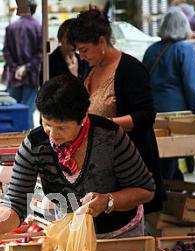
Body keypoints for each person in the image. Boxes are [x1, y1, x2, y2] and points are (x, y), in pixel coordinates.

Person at [0, 75, 155, 241]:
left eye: (61, 128)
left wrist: (108, 201)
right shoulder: (34, 145)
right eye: (47, 124)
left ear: (83, 117)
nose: (53, 134)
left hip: (121, 235)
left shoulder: (110, 137)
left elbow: (145, 190)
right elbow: (16, 203)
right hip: (71, 234)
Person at [69, 9, 164, 215]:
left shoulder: (130, 69)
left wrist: (106, 125)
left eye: (85, 50)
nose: (82, 56)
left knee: (129, 223)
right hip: (100, 165)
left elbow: (146, 115)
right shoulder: (90, 68)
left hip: (130, 164)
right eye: (79, 52)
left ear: (102, 42)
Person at [143, 11, 195, 181]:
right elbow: (192, 85)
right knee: (170, 156)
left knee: (160, 155)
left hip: (151, 112)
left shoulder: (151, 49)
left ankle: (170, 187)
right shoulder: (184, 49)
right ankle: (167, 195)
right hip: (176, 114)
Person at [1, 0, 42, 128]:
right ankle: (28, 141)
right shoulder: (39, 27)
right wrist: (26, 67)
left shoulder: (11, 27)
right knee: (28, 110)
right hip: (32, 76)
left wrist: (15, 68)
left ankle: (11, 137)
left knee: (12, 109)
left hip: (14, 76)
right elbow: (41, 53)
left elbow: (6, 51)